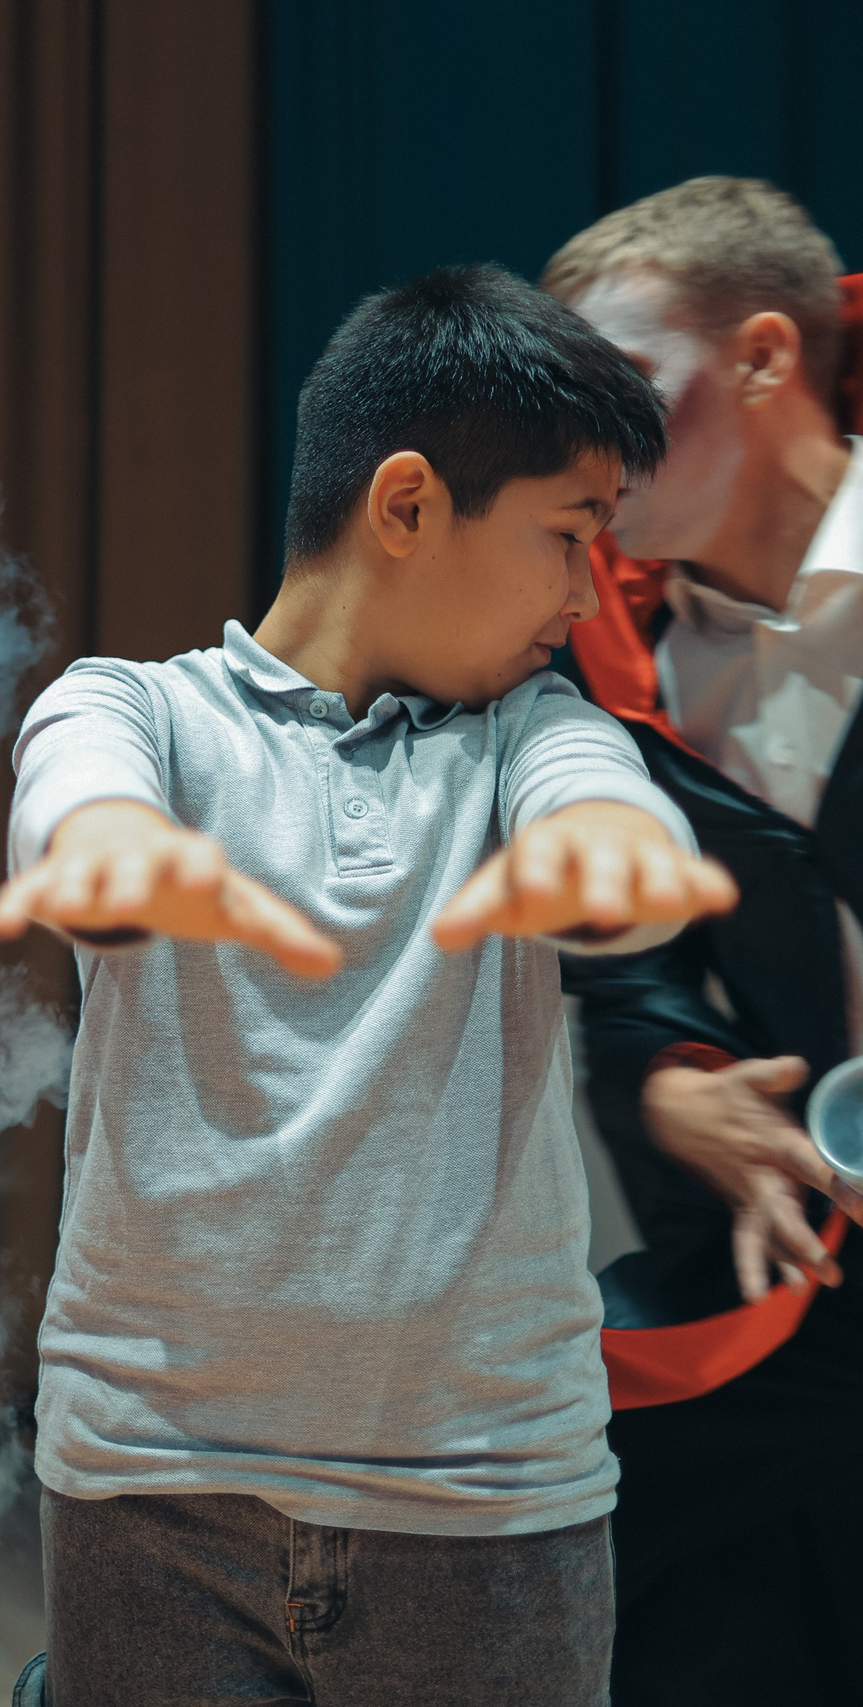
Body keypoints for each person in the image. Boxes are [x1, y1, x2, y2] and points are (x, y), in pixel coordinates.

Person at [0, 265, 735, 1706]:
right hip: (155, 1488)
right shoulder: (133, 707)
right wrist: (115, 850)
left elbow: (601, 801)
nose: (590, 595)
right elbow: (80, 791)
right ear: (405, 507)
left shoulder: (533, 733)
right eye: (570, 535)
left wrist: (609, 848)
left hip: (489, 1507)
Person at [540, 176, 863, 1707]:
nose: (594, 448)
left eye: (627, 390)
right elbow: (628, 956)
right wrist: (672, 1086)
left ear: (759, 358)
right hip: (774, 1244)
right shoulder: (610, 651)